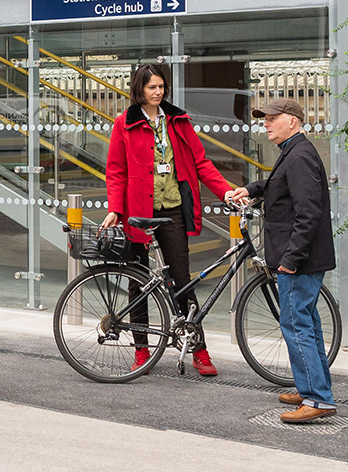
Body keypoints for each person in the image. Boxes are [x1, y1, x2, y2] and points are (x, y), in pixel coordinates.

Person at [103, 62, 233, 375]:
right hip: (139, 213)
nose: (158, 92)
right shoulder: (125, 123)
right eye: (152, 87)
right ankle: (141, 350)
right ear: (140, 89)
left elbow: (200, 162)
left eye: (161, 87)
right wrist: (115, 209)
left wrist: (226, 192)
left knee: (182, 280)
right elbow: (117, 170)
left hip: (173, 208)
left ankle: (198, 350)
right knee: (138, 283)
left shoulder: (177, 121)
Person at [225, 97, 336, 423]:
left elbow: (308, 213)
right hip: (302, 258)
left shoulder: (299, 156)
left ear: (293, 120)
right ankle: (312, 389)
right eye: (265, 119)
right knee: (308, 326)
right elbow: (279, 186)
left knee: (297, 326)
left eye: (273, 118)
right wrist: (251, 188)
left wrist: (290, 259)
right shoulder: (294, 152)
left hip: (298, 260)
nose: (266, 123)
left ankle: (317, 400)